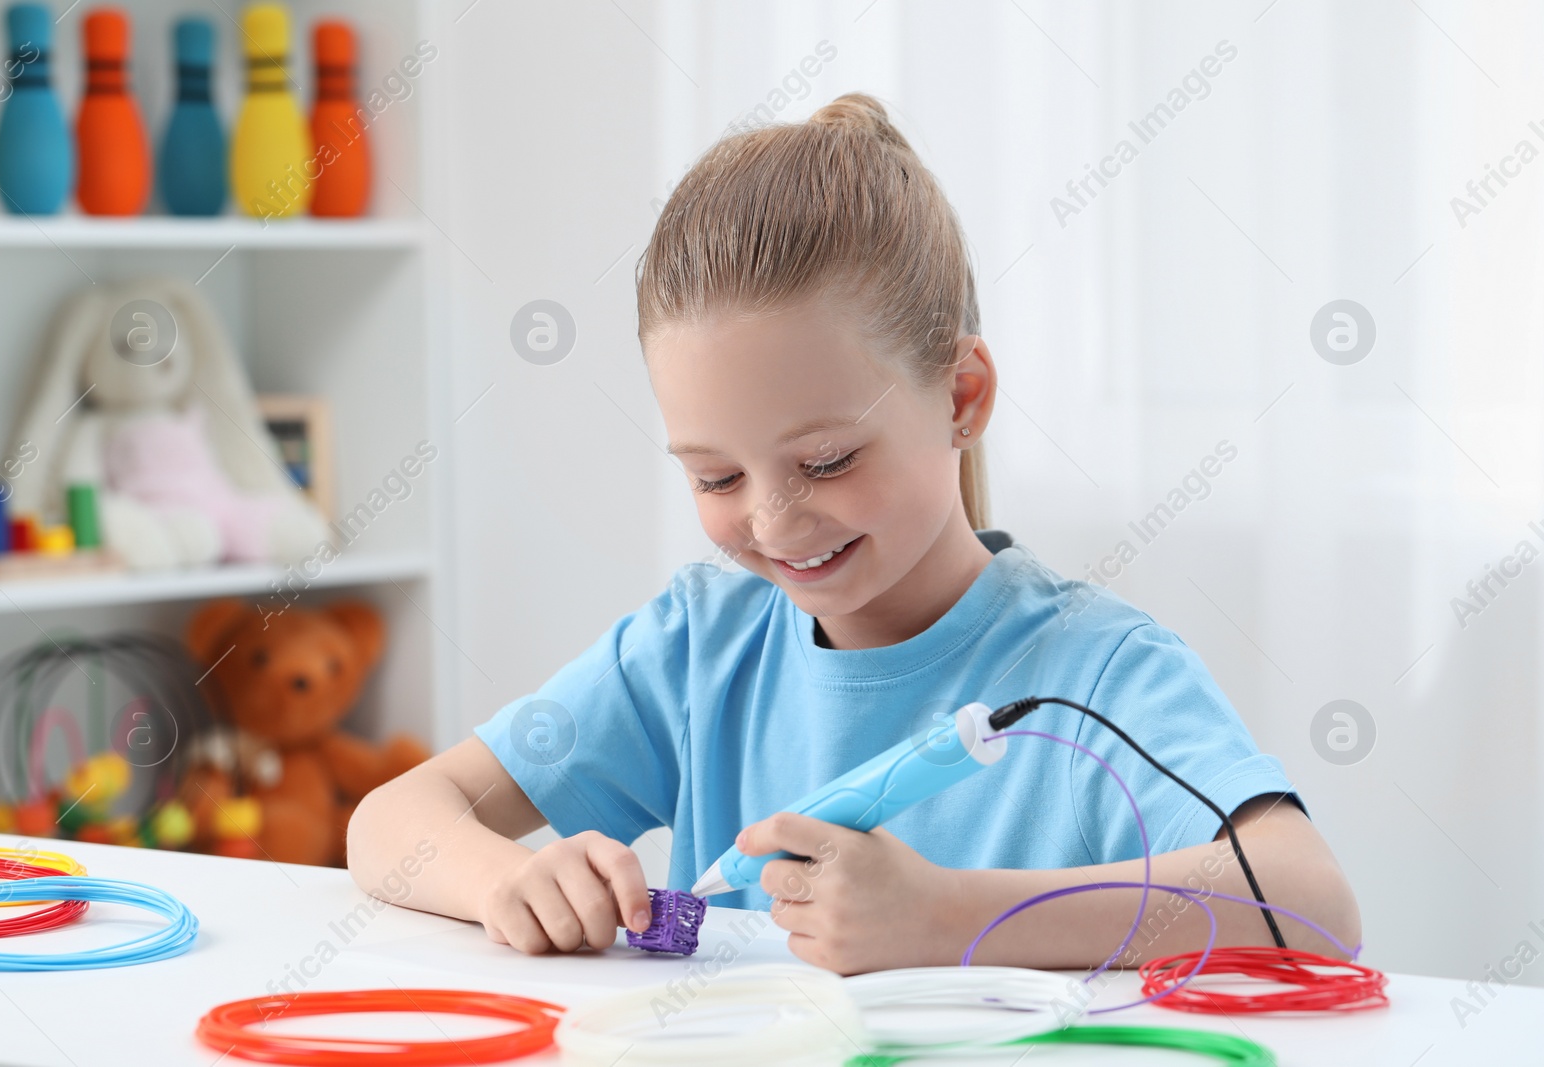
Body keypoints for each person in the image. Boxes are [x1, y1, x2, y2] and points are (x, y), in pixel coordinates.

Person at [347, 92, 1360, 976]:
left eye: (827, 461)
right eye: (716, 476)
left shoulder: (1097, 672)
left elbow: (1309, 900)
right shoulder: (697, 648)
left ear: (960, 396)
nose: (774, 522)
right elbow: (389, 818)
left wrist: (953, 916)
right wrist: (516, 881)